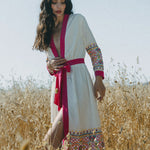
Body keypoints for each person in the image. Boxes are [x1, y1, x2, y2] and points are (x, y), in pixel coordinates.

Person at [32, 0, 106, 149]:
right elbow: (49, 59)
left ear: (67, 4)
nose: (59, 7)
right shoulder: (46, 28)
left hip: (79, 81)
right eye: (54, 3)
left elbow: (94, 50)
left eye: (62, 2)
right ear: (48, 5)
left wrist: (99, 78)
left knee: (50, 141)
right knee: (60, 139)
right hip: (59, 85)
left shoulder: (77, 20)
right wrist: (49, 65)